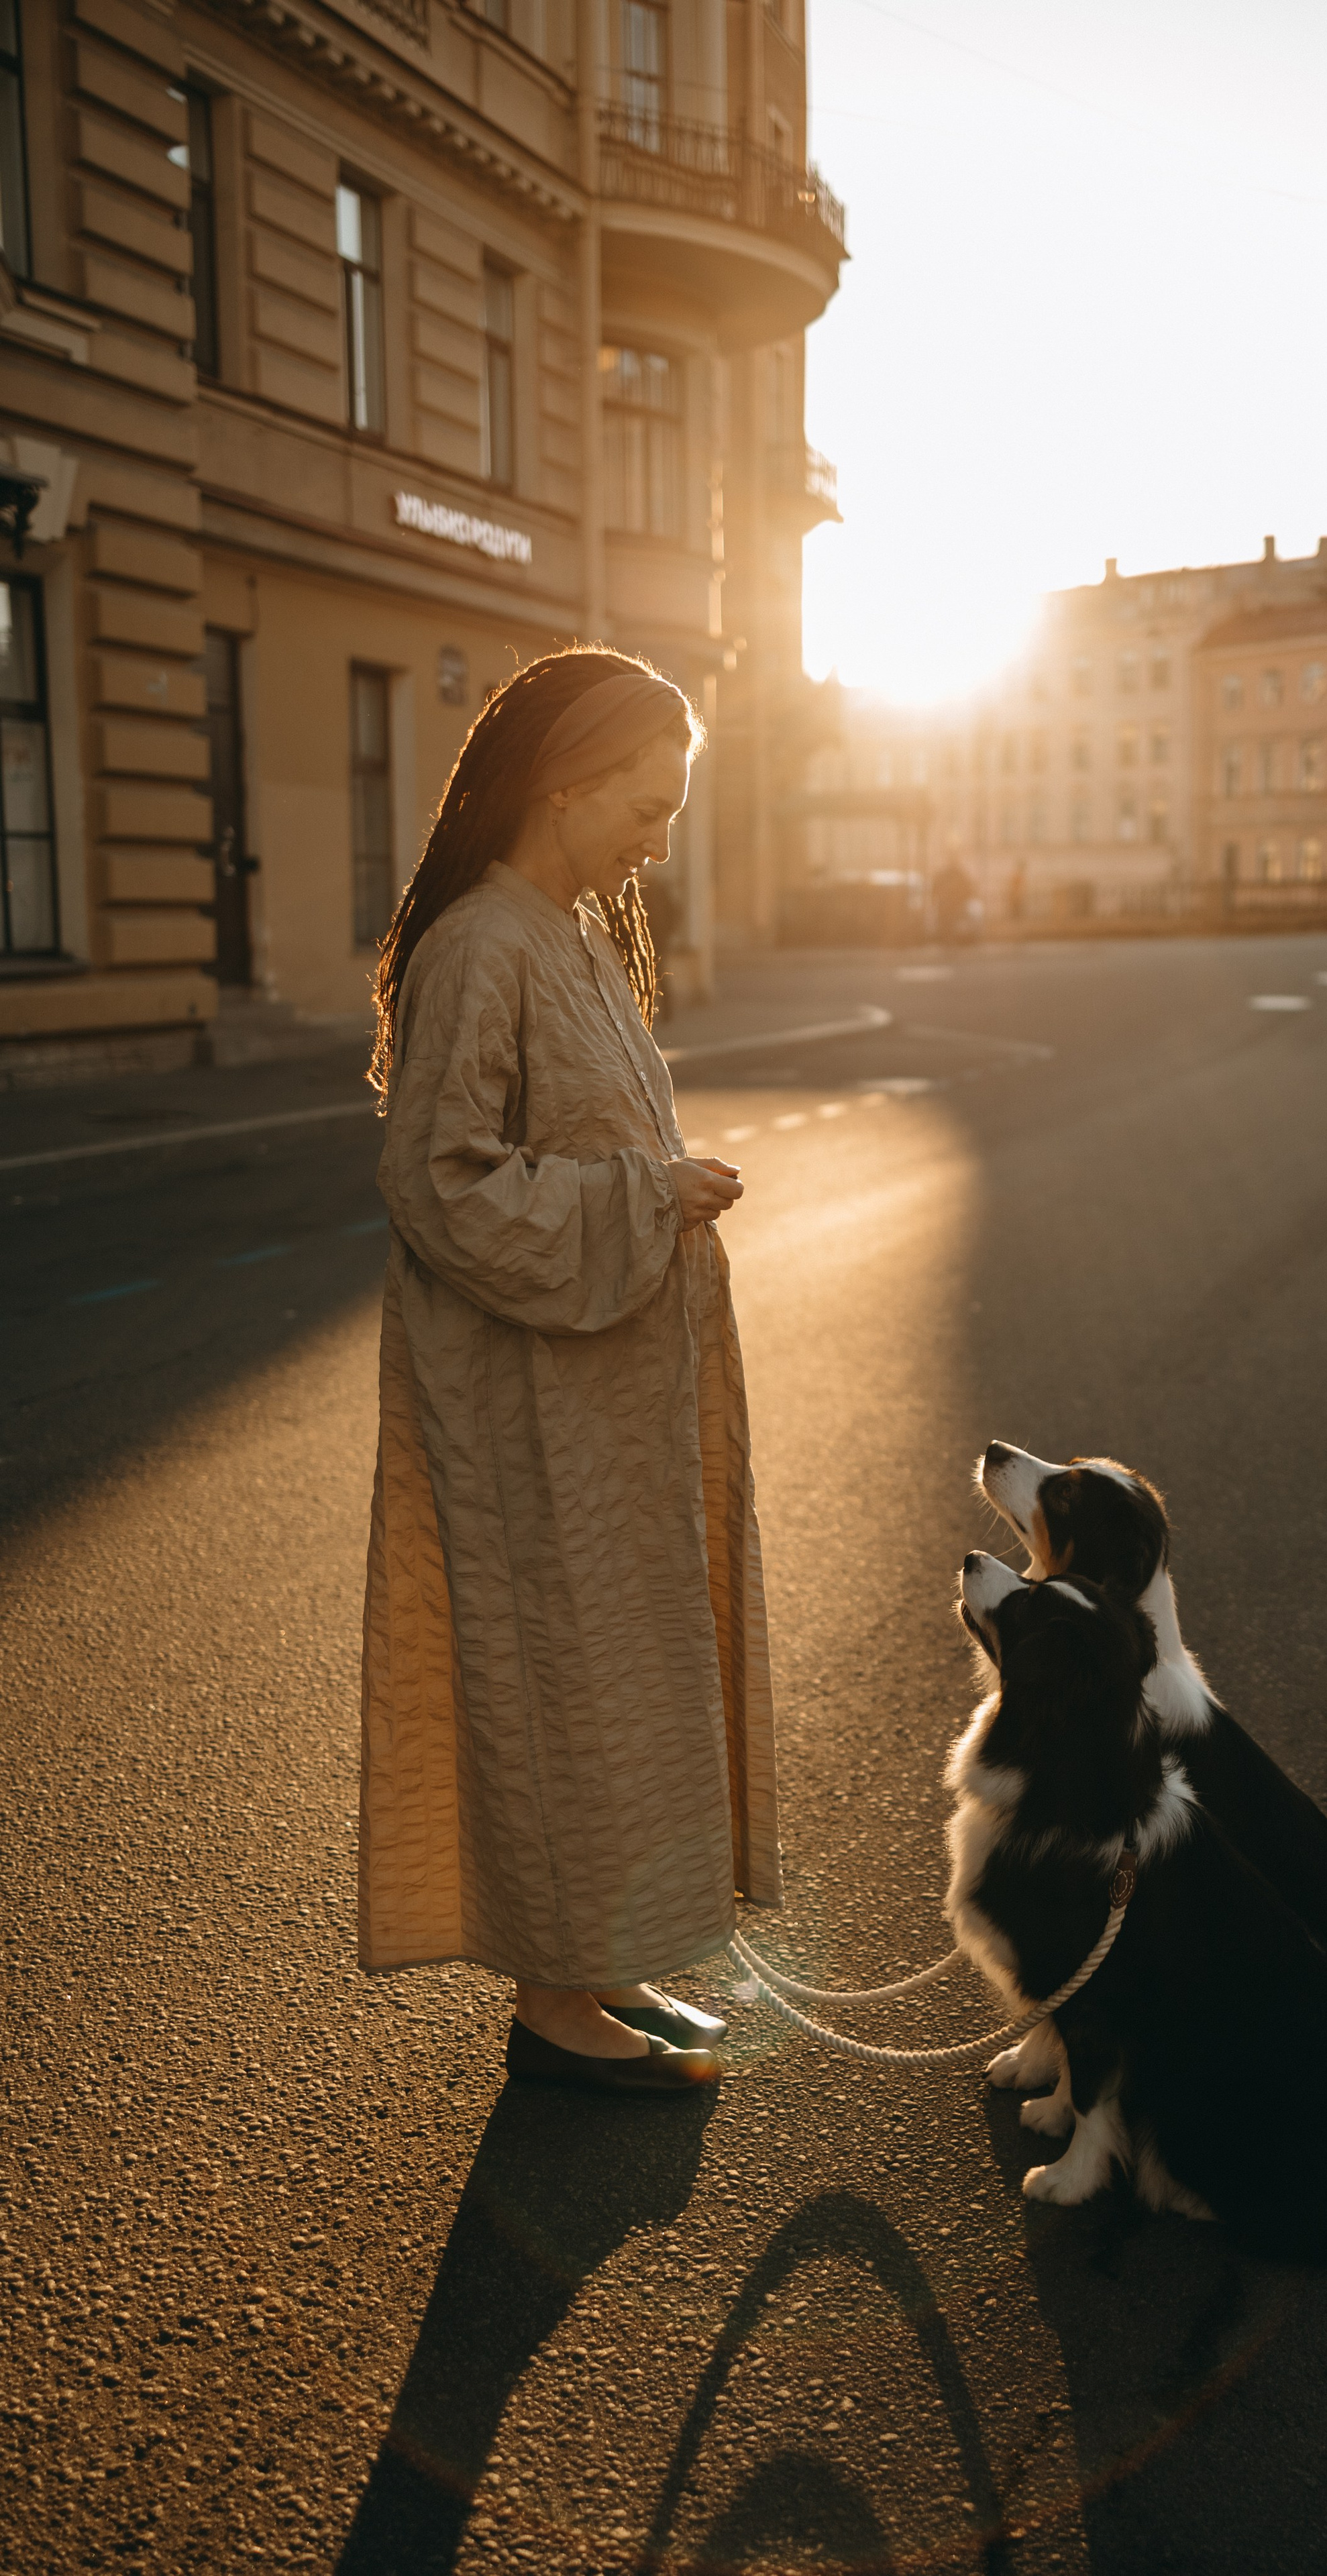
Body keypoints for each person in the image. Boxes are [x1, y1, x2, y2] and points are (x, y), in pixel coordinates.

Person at [360, 647, 780, 2094]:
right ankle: (554, 2004)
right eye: (646, 806)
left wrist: (654, 1186)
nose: (657, 842)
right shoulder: (481, 942)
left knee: (614, 1680)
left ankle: (600, 1963)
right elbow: (440, 1184)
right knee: (552, 1683)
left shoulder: (573, 931)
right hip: (527, 1408)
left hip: (601, 1399)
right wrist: (646, 1198)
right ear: (563, 778)